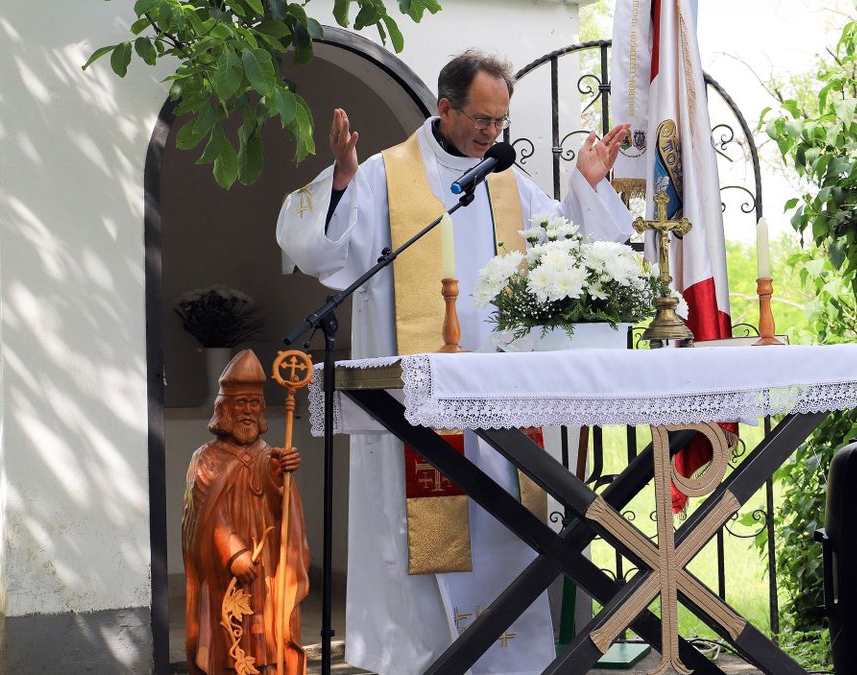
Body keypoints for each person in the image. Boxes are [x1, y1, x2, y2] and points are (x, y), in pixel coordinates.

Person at [276, 50, 631, 674]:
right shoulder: (385, 175)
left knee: (504, 534)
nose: (492, 134)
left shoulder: (507, 180)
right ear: (445, 107)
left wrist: (589, 185)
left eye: (500, 122)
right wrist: (339, 181)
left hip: (500, 407)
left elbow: (570, 252)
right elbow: (317, 250)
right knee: (423, 544)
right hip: (421, 411)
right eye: (481, 120)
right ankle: (430, 664)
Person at [182, 349, 309, 675]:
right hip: (227, 567)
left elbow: (283, 510)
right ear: (224, 408)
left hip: (264, 563)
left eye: (254, 404)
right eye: (241, 404)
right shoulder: (206, 458)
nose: (248, 412)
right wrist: (234, 552)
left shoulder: (270, 455)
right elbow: (207, 514)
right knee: (229, 633)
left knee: (266, 626)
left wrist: (282, 477)